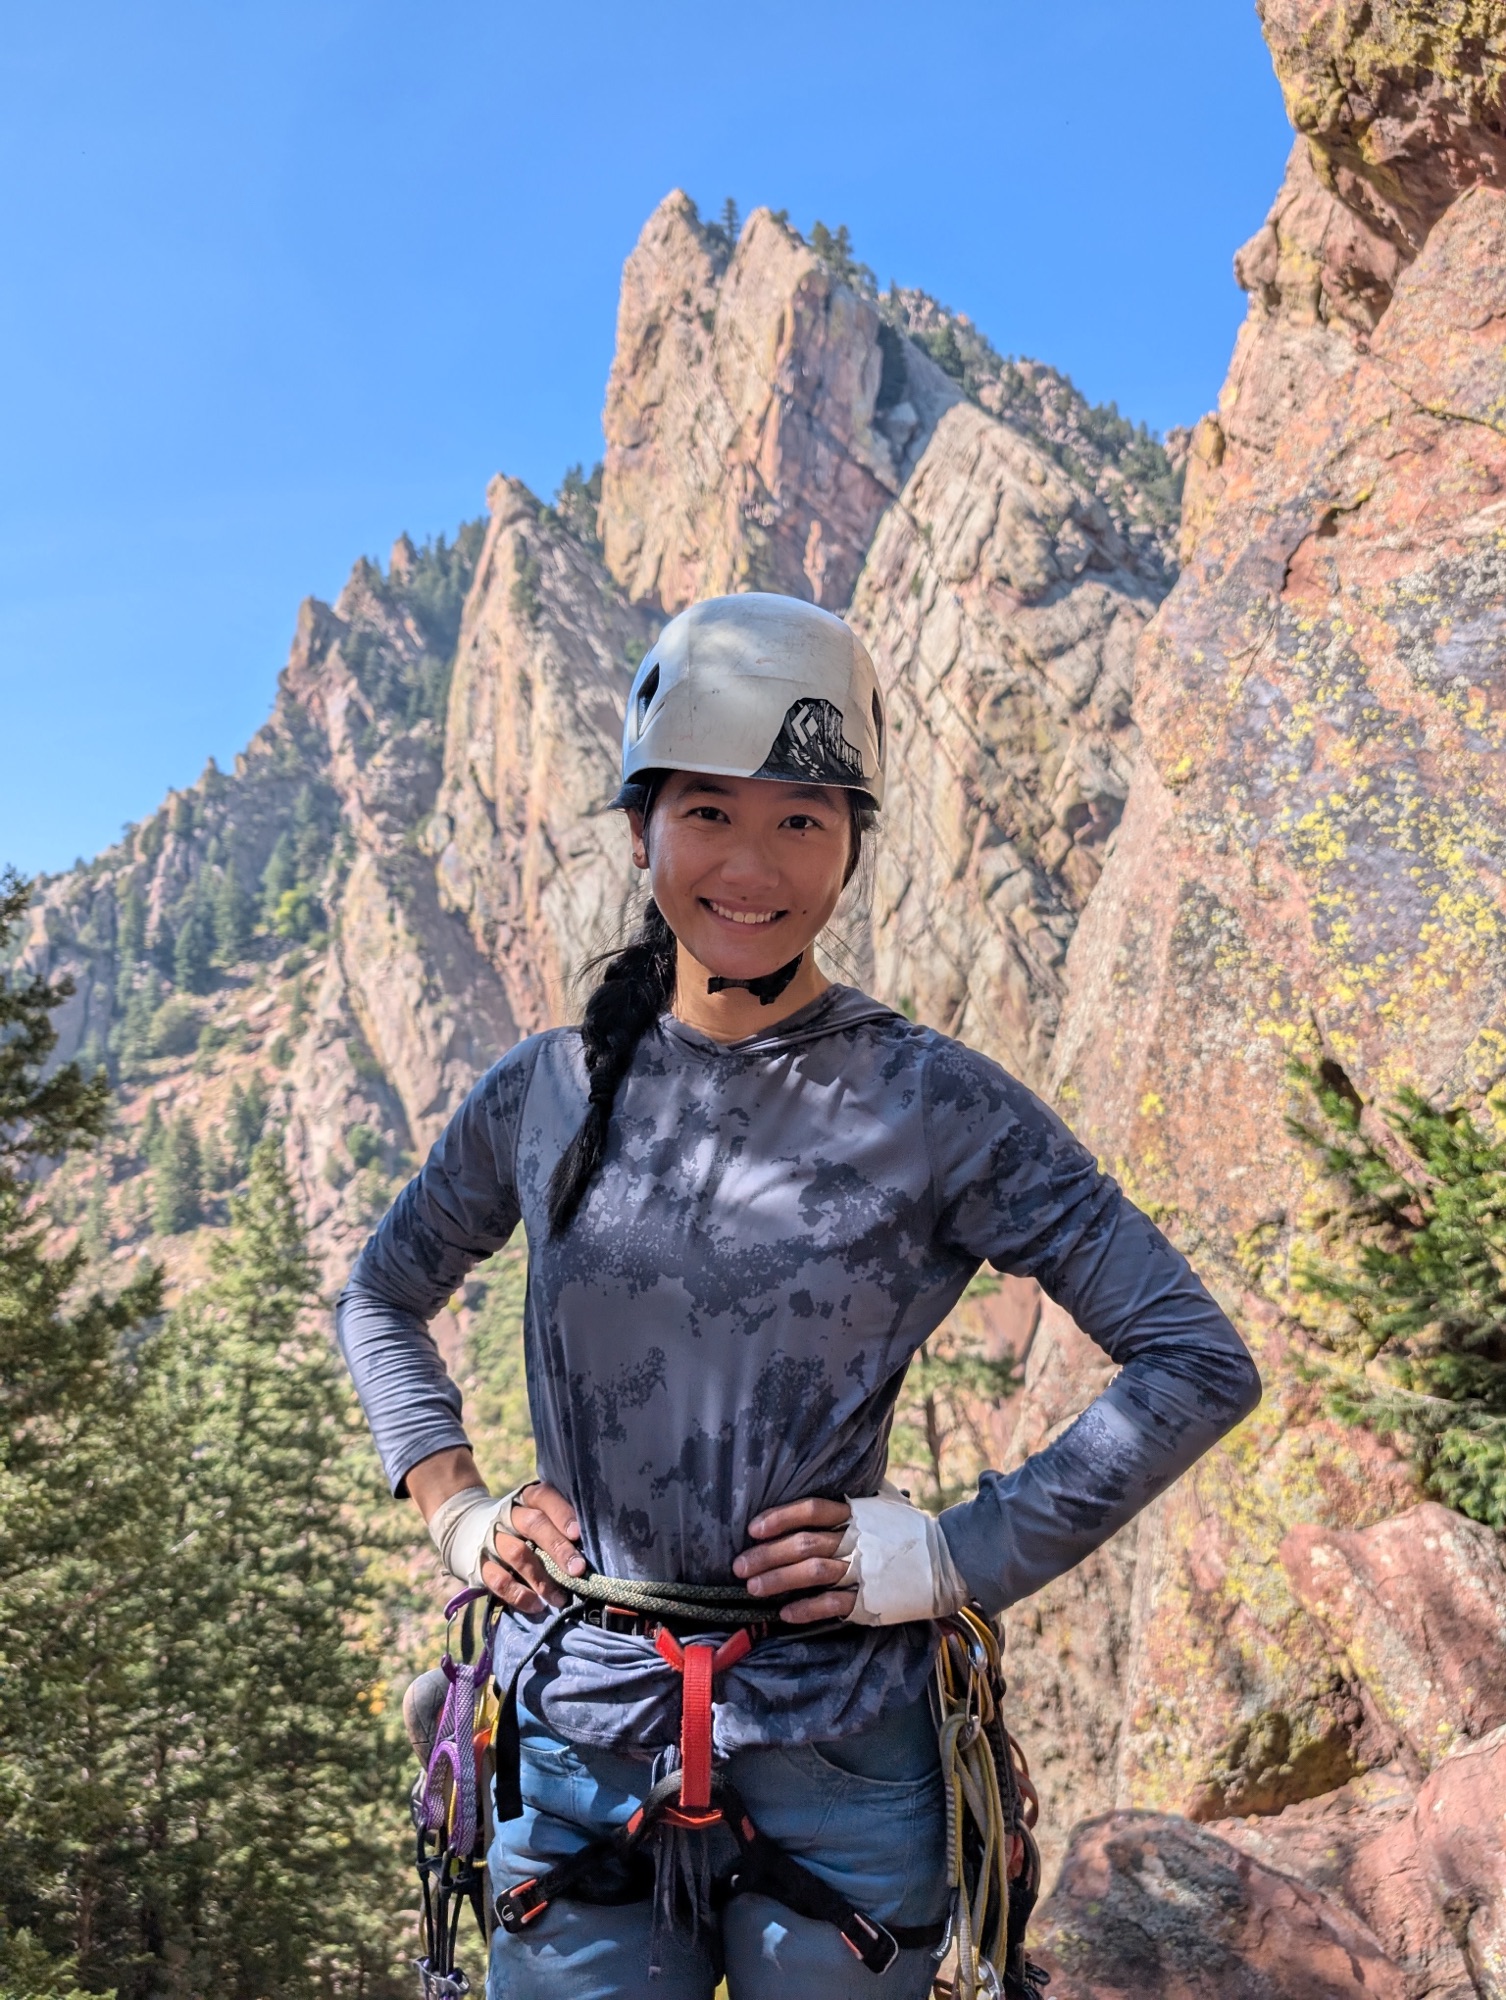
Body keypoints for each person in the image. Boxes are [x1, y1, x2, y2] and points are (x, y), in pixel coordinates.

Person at [337, 592, 1262, 2000]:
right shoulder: (545, 1092)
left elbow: (1193, 1361)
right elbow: (381, 1295)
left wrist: (959, 1554)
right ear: (640, 824)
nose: (751, 867)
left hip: (841, 1747)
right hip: (579, 1726)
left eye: (802, 822)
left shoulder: (935, 1104)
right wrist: (453, 1504)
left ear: (851, 843)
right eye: (707, 812)